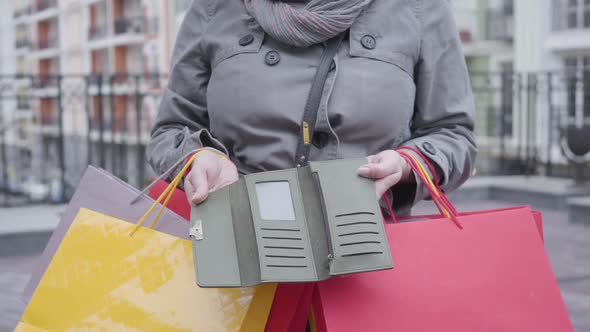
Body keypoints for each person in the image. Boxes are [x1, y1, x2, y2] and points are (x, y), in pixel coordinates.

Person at [147, 0, 477, 216]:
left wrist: (406, 164)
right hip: (239, 262)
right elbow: (171, 131)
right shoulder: (213, 8)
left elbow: (453, 134)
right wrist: (200, 159)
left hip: (373, 264)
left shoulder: (420, 7)